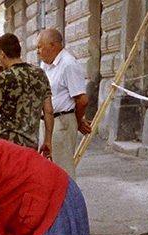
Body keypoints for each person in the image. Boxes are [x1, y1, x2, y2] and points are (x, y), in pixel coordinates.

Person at [36, 28, 91, 178]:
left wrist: (79, 120)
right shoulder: (46, 65)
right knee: (48, 169)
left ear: (53, 45)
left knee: (63, 169)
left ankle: (68, 200)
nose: (38, 51)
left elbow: (82, 99)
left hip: (62, 122)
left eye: (40, 47)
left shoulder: (68, 64)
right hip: (47, 121)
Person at [0, 33, 53, 156]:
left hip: (7, 144)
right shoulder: (40, 73)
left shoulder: (4, 77)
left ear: (2, 54)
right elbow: (48, 110)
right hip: (31, 143)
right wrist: (48, 140)